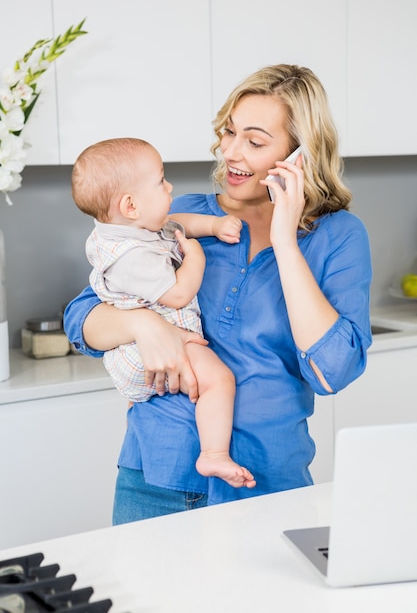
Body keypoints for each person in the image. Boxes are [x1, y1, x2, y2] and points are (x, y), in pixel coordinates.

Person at [64, 64, 372, 524]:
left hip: (266, 487)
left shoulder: (338, 237)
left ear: (300, 154)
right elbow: (82, 316)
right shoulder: (178, 217)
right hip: (156, 480)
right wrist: (142, 324)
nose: (230, 152)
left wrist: (286, 241)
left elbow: (333, 372)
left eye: (254, 140)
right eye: (228, 132)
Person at [71, 137, 256, 489]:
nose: (169, 186)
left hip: (151, 347)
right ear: (130, 205)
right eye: (160, 181)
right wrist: (197, 257)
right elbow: (177, 293)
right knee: (218, 380)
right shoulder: (130, 256)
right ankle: (213, 455)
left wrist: (214, 226)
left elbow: (175, 224)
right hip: (153, 350)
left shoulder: (136, 229)